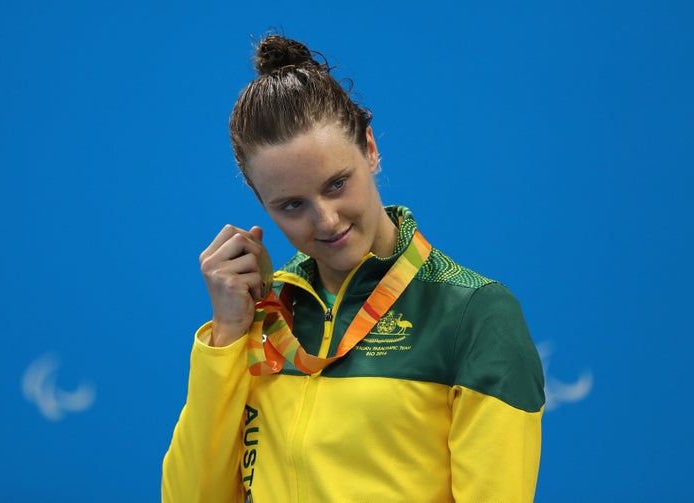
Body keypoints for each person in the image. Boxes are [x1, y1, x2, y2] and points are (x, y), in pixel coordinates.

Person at [162, 33, 545, 502]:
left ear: (370, 148)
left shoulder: (475, 313)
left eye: (337, 183)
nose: (326, 220)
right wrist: (226, 336)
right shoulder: (264, 317)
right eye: (291, 205)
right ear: (261, 202)